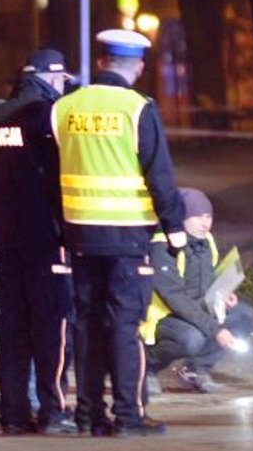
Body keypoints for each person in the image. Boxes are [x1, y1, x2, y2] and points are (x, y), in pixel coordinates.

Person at [51, 28, 186, 437]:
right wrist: (175, 229)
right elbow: (159, 174)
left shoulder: (64, 107)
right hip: (127, 237)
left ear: (100, 63)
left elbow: (50, 172)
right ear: (139, 68)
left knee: (88, 324)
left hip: (79, 234)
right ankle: (130, 414)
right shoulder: (137, 108)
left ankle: (90, 414)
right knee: (126, 326)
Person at [0, 48, 78, 435]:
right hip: (45, 241)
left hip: (9, 243)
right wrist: (66, 234)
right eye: (61, 81)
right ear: (53, 78)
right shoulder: (44, 117)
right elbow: (58, 181)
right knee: (52, 326)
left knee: (14, 329)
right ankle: (53, 411)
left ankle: (14, 414)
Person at [140, 187, 253, 396]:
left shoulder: (206, 241)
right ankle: (146, 369)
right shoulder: (163, 246)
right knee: (192, 338)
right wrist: (215, 329)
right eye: (197, 217)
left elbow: (208, 277)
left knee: (243, 316)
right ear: (182, 217)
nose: (205, 223)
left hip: (197, 308)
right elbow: (176, 299)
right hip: (164, 316)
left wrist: (223, 292)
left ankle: (195, 371)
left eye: (208, 216)